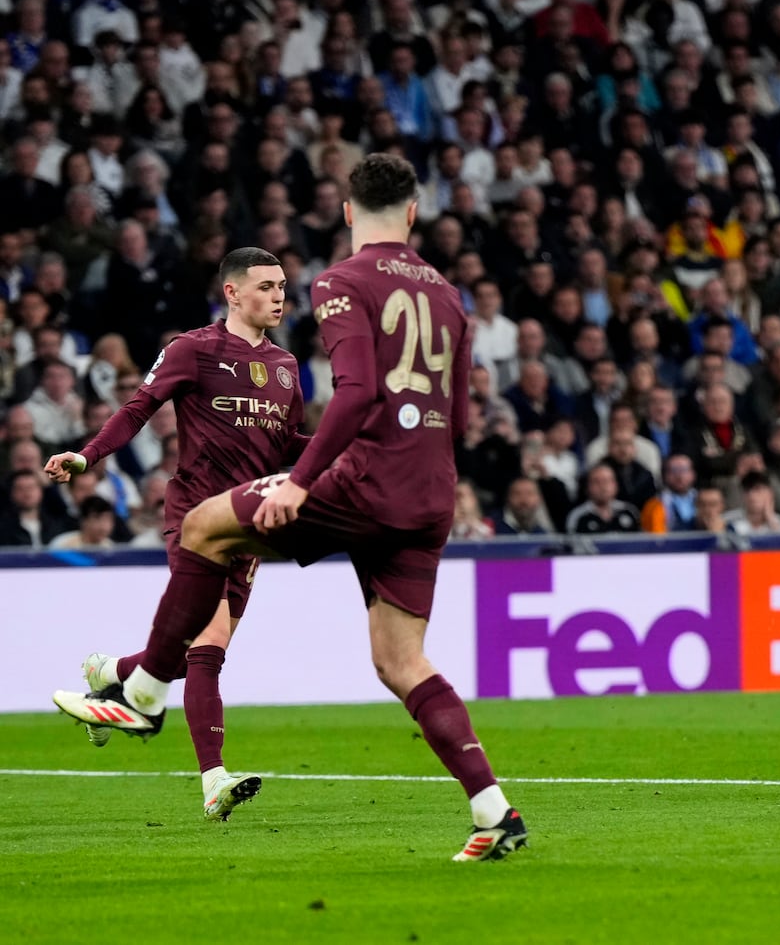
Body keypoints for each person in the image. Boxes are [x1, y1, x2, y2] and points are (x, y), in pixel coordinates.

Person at [52, 156, 527, 863]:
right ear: (415, 212)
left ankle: (144, 689)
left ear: (346, 212)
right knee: (401, 661)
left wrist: (302, 481)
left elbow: (359, 392)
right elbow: (457, 415)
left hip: (361, 482)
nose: (281, 293)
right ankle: (495, 811)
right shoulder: (452, 297)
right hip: (431, 491)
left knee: (203, 526)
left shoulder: (341, 282)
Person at [44, 247, 304, 822]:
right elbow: (138, 409)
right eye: (265, 286)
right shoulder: (195, 349)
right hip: (199, 515)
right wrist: (88, 457)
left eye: (283, 285)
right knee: (208, 649)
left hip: (253, 528)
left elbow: (290, 448)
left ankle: (108, 675)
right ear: (232, 293)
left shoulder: (287, 367)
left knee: (197, 654)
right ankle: (214, 781)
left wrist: (357, 452)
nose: (279, 295)